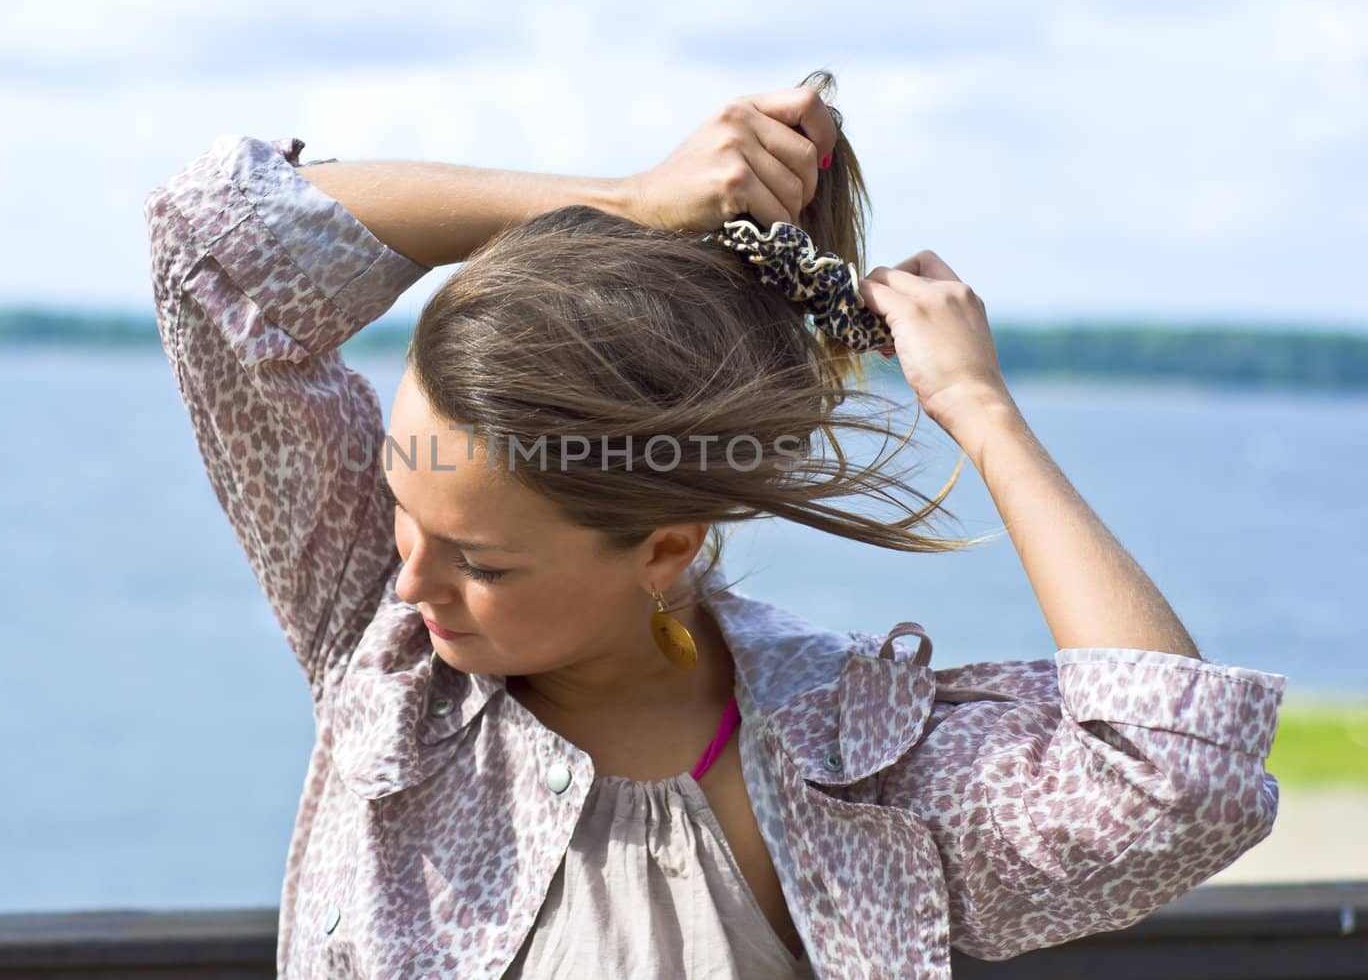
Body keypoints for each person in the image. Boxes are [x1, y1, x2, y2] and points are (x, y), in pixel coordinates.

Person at [142, 70, 1286, 979]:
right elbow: (215, 246)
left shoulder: (844, 767)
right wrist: (619, 203)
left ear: (668, 546)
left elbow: (1174, 784)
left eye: (481, 560)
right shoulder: (386, 654)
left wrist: (979, 414)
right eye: (402, 511)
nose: (407, 585)